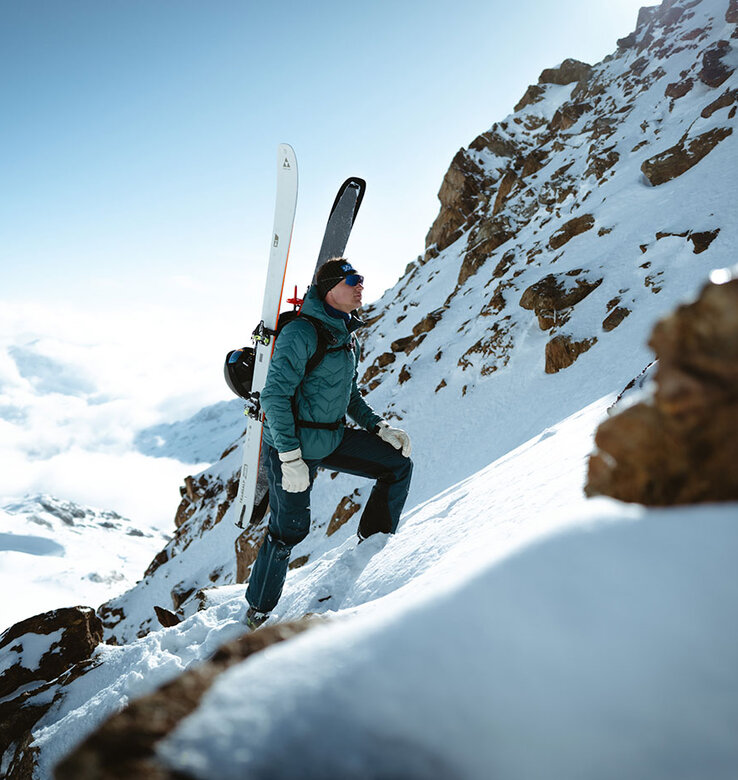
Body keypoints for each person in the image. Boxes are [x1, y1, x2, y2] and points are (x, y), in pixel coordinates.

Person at [245, 258, 413, 628]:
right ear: (329, 288)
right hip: (293, 447)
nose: (360, 287)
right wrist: (289, 459)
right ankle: (257, 609)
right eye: (353, 280)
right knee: (289, 530)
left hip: (331, 437)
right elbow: (274, 397)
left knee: (396, 463)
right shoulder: (302, 333)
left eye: (362, 280)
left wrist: (379, 427)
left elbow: (350, 395)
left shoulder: (345, 334)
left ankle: (372, 548)